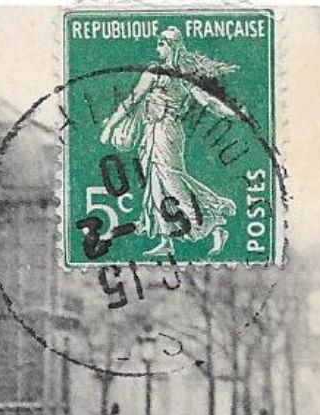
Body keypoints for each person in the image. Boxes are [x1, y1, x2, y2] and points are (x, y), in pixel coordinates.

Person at [100, 28, 240, 259]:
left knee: (173, 182)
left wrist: (231, 113)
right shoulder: (166, 74)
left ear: (172, 46)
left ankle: (214, 224)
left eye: (161, 44)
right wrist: (109, 127)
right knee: (156, 185)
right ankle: (167, 240)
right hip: (152, 132)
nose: (157, 50)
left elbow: (206, 101)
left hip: (167, 133)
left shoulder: (170, 75)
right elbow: (132, 101)